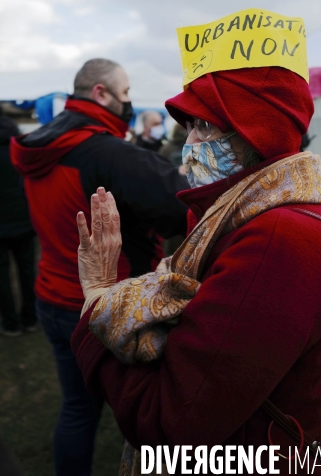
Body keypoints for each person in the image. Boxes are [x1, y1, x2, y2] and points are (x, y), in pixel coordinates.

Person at [71, 64, 321, 475]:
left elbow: (170, 427)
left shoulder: (278, 241)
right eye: (188, 127)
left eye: (204, 126)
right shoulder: (254, 215)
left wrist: (98, 298)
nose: (189, 144)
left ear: (257, 134)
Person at [10, 58, 188, 476]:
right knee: (148, 414)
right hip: (106, 304)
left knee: (77, 409)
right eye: (126, 94)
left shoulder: (37, 145)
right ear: (101, 93)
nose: (130, 103)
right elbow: (178, 203)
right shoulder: (105, 152)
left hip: (52, 295)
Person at [0, 111, 36, 336]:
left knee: (2, 274)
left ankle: (11, 322)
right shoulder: (18, 147)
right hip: (23, 218)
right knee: (27, 270)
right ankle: (30, 318)